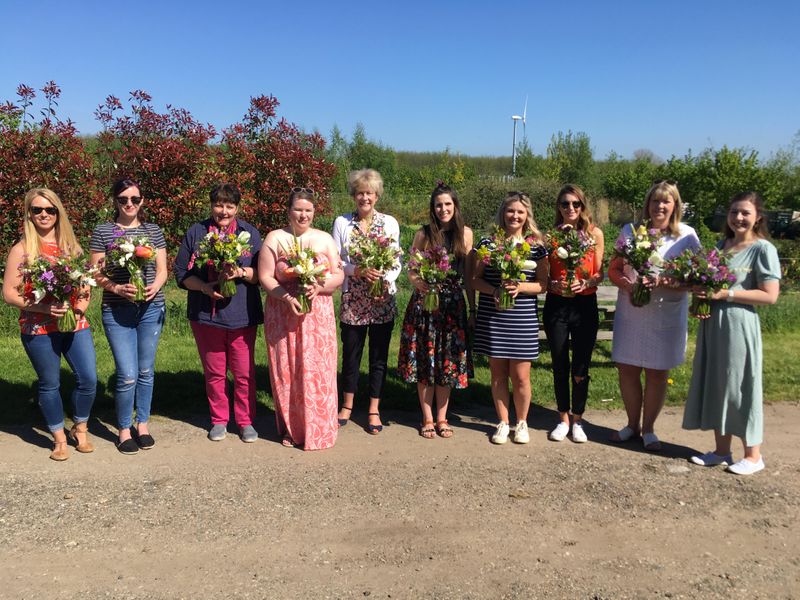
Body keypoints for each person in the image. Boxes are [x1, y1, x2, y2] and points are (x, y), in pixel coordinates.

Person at [683, 192, 781, 475]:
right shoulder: (720, 246)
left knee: (741, 386)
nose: (739, 217)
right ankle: (722, 451)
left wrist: (727, 293)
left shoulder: (763, 249)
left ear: (757, 217)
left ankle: (753, 455)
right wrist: (700, 300)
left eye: (745, 213)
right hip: (713, 324)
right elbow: (709, 285)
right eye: (734, 212)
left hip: (739, 324)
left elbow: (770, 295)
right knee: (716, 382)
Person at [2, 188, 97, 461]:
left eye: (50, 209)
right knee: (49, 382)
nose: (44, 214)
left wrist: (80, 307)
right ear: (29, 214)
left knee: (88, 378)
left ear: (58, 213)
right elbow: (9, 293)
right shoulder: (22, 250)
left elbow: (85, 285)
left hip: (74, 324)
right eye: (37, 210)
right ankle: (58, 437)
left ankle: (80, 427)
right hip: (38, 327)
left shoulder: (71, 246)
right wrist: (44, 307)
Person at [608, 180, 700, 450]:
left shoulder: (686, 236)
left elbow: (696, 280)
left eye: (666, 201)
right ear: (648, 204)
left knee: (657, 372)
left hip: (666, 313)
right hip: (632, 311)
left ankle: (648, 429)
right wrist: (629, 285)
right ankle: (631, 425)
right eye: (655, 201)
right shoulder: (631, 231)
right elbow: (614, 270)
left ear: (675, 206)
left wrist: (665, 282)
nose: (660, 206)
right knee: (627, 368)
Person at [173, 184, 263, 443]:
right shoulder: (197, 232)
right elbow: (181, 273)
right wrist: (203, 287)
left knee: (244, 372)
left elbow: (262, 275)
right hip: (206, 314)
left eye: (229, 206)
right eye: (218, 205)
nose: (223, 211)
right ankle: (219, 419)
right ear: (211, 205)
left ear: (237, 207)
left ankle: (245, 420)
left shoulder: (249, 233)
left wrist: (241, 273)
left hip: (242, 314)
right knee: (214, 372)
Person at [259, 188, 344, 449]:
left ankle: (319, 428)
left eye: (308, 210)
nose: (303, 215)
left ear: (314, 212)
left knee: (318, 370)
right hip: (283, 313)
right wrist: (286, 297)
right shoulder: (275, 238)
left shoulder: (325, 239)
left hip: (317, 315)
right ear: (288, 211)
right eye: (298, 209)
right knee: (288, 371)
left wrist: (319, 287)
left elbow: (338, 275)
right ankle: (292, 429)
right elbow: (265, 277)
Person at [90, 178, 167, 454]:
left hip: (150, 307)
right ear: (115, 201)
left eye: (134, 199)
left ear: (142, 200)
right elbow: (95, 273)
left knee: (146, 370)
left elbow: (162, 269)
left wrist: (155, 287)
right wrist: (117, 288)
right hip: (116, 309)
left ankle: (142, 423)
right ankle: (124, 429)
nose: (129, 204)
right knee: (127, 374)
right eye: (123, 199)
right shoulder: (104, 231)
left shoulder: (153, 230)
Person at [398, 183, 474, 439]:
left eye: (448, 204)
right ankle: (427, 417)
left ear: (455, 206)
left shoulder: (466, 234)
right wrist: (418, 281)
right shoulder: (423, 234)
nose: (443, 209)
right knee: (425, 361)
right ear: (433, 208)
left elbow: (468, 274)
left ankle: (443, 417)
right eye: (439, 205)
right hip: (425, 306)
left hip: (453, 306)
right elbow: (411, 268)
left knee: (447, 363)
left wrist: (472, 307)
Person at [472, 192, 549, 444]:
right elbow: (474, 279)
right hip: (494, 315)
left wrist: (520, 288)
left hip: (522, 316)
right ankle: (503, 422)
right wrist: (495, 290)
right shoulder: (488, 243)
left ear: (527, 215)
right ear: (502, 213)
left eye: (520, 212)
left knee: (521, 376)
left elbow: (543, 284)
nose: (514, 216)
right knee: (497, 374)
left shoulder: (537, 246)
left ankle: (522, 422)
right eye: (510, 211)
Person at [332, 169, 401, 434]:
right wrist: (356, 271)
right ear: (354, 195)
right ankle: (347, 405)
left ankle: (374, 408)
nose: (364, 197)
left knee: (378, 357)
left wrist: (385, 279)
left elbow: (395, 260)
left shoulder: (390, 223)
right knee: (351, 354)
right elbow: (336, 261)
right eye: (360, 192)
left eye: (369, 193)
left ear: (377, 195)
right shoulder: (342, 222)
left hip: (381, 296)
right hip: (353, 298)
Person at [543, 184, 605, 443]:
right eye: (565, 204)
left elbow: (599, 272)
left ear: (582, 207)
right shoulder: (551, 236)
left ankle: (578, 418)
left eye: (575, 204)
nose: (570, 208)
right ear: (559, 207)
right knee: (559, 362)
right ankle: (563, 418)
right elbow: (544, 272)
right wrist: (552, 283)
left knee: (581, 365)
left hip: (584, 305)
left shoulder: (594, 234)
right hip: (557, 304)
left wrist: (588, 283)